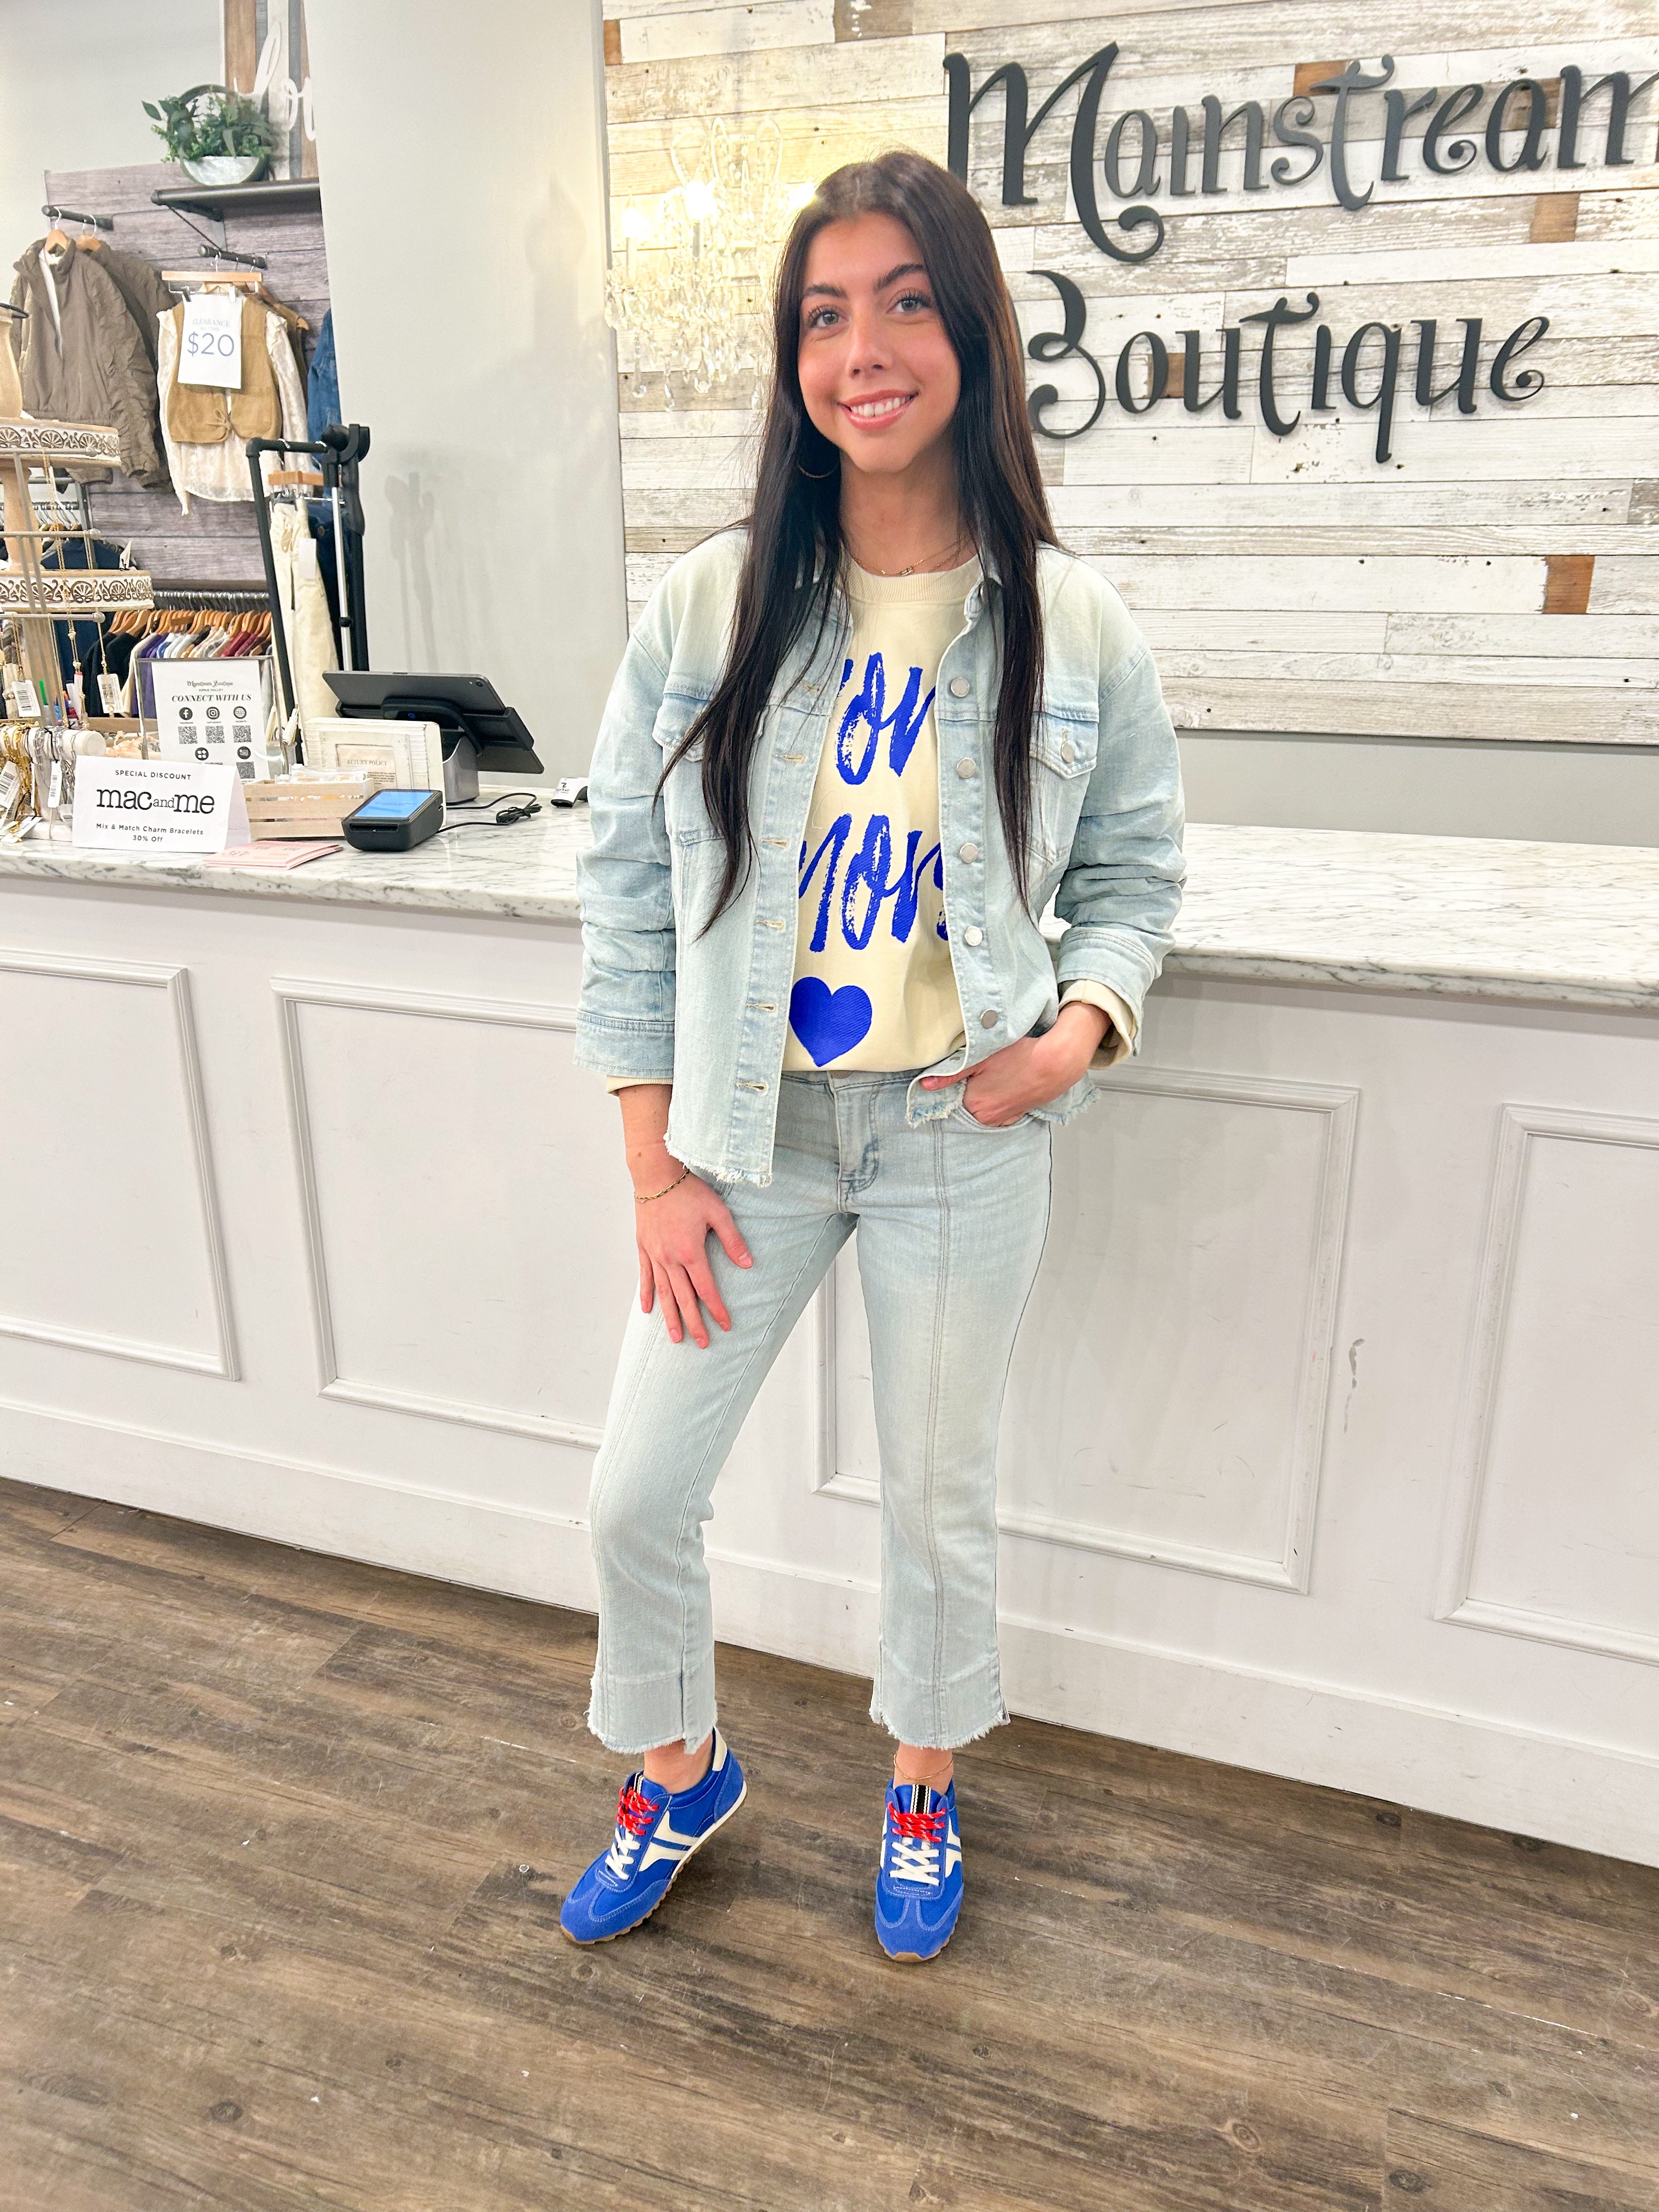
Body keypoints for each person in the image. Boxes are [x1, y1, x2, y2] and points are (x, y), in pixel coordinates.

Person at [562, 149, 1184, 1962]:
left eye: (907, 304)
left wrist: (1074, 1038)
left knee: (935, 1499)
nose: (865, 351)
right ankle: (679, 1772)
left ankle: (922, 1785)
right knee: (636, 1492)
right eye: (826, 315)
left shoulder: (1072, 622)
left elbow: (1137, 875)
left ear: (972, 335)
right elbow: (623, 889)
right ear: (795, 359)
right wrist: (653, 1163)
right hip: (748, 1132)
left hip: (958, 1129)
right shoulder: (709, 607)